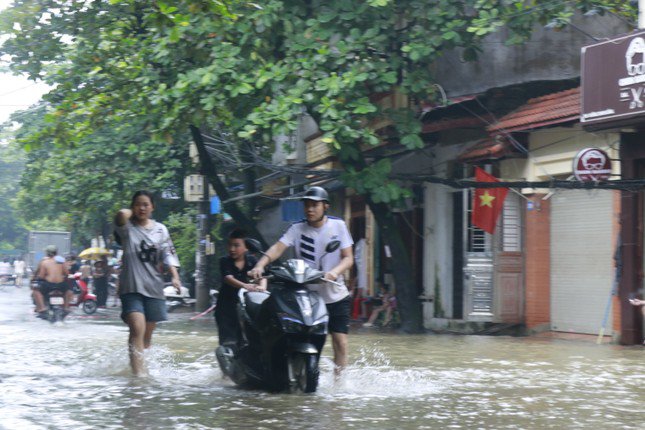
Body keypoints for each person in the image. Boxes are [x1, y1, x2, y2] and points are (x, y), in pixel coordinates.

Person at [249, 186, 354, 374]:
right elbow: (277, 248)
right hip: (307, 297)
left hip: (335, 294)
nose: (310, 209)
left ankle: (340, 385)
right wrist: (260, 264)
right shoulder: (296, 229)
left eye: (315, 205)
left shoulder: (338, 226)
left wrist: (333, 272)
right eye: (307, 205)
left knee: (341, 342)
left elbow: (348, 257)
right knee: (300, 336)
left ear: (325, 206)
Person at [114, 190, 181, 377]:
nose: (142, 208)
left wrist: (174, 276)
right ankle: (139, 376)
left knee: (146, 335)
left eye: (146, 204)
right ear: (132, 207)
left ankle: (141, 365)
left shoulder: (161, 229)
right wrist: (130, 212)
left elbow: (168, 254)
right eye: (138, 204)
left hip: (154, 287)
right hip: (131, 287)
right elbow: (120, 215)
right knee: (137, 327)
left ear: (153, 207)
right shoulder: (127, 228)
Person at [216, 228, 266, 351]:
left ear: (246, 247)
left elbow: (262, 276)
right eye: (230, 245)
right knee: (229, 343)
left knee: (246, 342)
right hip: (226, 309)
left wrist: (262, 287)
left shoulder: (252, 261)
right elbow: (228, 278)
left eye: (236, 245)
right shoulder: (225, 261)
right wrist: (246, 286)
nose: (232, 249)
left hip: (245, 308)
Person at [32, 245, 71, 317]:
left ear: (47, 253)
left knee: (36, 291)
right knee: (68, 290)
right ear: (56, 252)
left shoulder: (44, 262)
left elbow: (41, 276)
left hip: (48, 285)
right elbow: (67, 273)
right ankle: (66, 307)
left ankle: (42, 308)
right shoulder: (62, 260)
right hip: (61, 285)